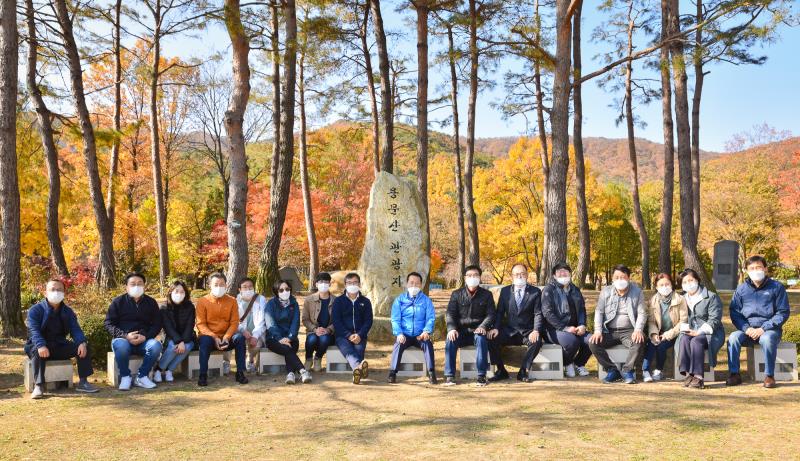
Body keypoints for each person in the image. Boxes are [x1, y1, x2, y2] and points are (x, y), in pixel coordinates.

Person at [25, 279, 98, 399]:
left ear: (64, 292)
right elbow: (34, 331)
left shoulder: (67, 311)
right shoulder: (35, 310)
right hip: (37, 344)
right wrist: (40, 345)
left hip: (58, 344)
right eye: (52, 289)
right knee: (36, 351)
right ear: (45, 293)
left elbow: (75, 329)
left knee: (84, 347)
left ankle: (83, 382)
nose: (56, 292)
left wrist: (81, 342)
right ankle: (38, 386)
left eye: (59, 290)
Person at [726, 255, 791, 389]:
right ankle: (734, 374)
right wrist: (746, 328)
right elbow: (735, 312)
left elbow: (783, 312)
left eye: (759, 267)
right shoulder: (741, 289)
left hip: (769, 331)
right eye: (752, 268)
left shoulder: (777, 287)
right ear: (746, 271)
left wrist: (763, 328)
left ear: (765, 269)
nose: (755, 270)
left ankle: (769, 376)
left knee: (767, 339)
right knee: (733, 338)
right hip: (747, 330)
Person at [589, 265, 647, 384]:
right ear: (613, 279)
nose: (620, 280)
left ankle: (627, 370)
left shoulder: (637, 291)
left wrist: (638, 330)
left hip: (629, 330)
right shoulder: (606, 291)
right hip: (609, 331)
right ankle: (612, 370)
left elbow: (642, 313)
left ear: (628, 278)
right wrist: (598, 331)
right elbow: (599, 311)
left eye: (623, 277)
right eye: (617, 277)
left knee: (639, 341)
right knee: (593, 342)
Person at [105, 272, 163, 390]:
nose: (136, 286)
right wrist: (125, 336)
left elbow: (157, 324)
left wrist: (146, 336)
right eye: (132, 284)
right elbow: (108, 323)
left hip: (144, 341)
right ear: (126, 286)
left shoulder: (151, 302)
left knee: (156, 346)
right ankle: (125, 376)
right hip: (124, 340)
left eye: (139, 283)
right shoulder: (118, 302)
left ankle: (142, 376)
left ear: (144, 286)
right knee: (120, 345)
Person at [487, 263, 542, 383]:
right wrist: (495, 328)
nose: (520, 276)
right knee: (491, 338)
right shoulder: (505, 291)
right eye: (516, 274)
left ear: (527, 276)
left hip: (527, 331)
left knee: (537, 341)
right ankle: (501, 370)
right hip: (509, 330)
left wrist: (536, 330)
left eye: (522, 274)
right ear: (512, 276)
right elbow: (500, 312)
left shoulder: (535, 292)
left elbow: (538, 313)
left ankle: (523, 371)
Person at [444, 265, 496, 387]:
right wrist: (451, 329)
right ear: (465, 278)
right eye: (470, 275)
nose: (473, 278)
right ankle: (450, 376)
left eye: (476, 275)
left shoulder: (487, 295)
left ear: (480, 277)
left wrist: (483, 326)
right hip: (461, 331)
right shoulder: (456, 294)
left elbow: (491, 314)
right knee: (450, 339)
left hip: (478, 331)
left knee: (481, 338)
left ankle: (481, 376)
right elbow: (450, 313)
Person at [195, 272, 248, 386]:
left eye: (222, 284)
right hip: (209, 337)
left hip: (226, 337)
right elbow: (201, 324)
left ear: (226, 285)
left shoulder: (232, 300)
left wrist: (226, 337)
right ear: (210, 285)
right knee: (204, 341)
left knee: (239, 338)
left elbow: (234, 322)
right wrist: (214, 337)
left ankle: (240, 372)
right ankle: (203, 374)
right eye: (216, 284)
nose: (219, 287)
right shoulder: (202, 301)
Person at [540, 263, 592, 378]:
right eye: (559, 271)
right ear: (554, 275)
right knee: (572, 341)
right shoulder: (549, 290)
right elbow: (547, 313)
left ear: (570, 273)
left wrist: (582, 324)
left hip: (575, 328)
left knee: (592, 341)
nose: (563, 273)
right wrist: (565, 328)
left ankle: (579, 364)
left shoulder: (575, 289)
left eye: (565, 271)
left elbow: (582, 309)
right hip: (553, 329)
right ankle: (567, 363)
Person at [678, 268, 724, 389]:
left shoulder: (711, 297)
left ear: (697, 280)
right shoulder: (682, 298)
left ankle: (698, 377)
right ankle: (689, 373)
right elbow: (680, 317)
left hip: (711, 333)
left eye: (691, 280)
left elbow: (715, 319)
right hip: (690, 332)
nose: (688, 284)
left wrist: (699, 332)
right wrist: (686, 329)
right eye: (684, 282)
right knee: (683, 339)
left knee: (696, 341)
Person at [388, 272, 437, 384]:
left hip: (420, 335)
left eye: (417, 283)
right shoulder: (399, 300)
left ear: (421, 285)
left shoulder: (426, 300)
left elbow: (430, 318)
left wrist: (426, 331)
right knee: (398, 345)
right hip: (405, 334)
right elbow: (395, 319)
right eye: (411, 283)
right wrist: (399, 333)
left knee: (428, 344)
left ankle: (431, 373)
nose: (414, 286)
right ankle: (392, 373)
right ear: (406, 284)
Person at [264, 280, 311, 384]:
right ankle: (303, 371)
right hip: (273, 338)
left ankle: (290, 375)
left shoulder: (294, 303)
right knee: (288, 349)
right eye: (281, 290)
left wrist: (290, 337)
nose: (285, 291)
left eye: (287, 289)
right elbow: (270, 323)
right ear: (276, 292)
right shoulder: (270, 304)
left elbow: (295, 323)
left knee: (290, 346)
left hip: (291, 338)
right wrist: (280, 338)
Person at [643, 273, 687, 383]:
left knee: (661, 345)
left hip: (674, 333)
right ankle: (645, 370)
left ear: (671, 284)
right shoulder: (653, 301)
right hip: (658, 332)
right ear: (656, 287)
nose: (664, 287)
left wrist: (667, 335)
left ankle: (659, 370)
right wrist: (654, 334)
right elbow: (651, 321)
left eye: (667, 284)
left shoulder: (680, 299)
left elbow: (683, 321)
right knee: (652, 343)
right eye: (661, 285)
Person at [332, 272, 373, 384]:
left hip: (360, 335)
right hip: (343, 336)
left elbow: (368, 321)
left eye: (355, 282)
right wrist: (348, 335)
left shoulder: (366, 301)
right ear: (345, 285)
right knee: (349, 351)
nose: (352, 285)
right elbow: (336, 321)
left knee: (358, 349)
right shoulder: (338, 301)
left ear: (359, 284)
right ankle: (359, 368)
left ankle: (357, 370)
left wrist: (360, 334)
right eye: (349, 283)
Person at [153, 280, 196, 383]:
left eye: (182, 292)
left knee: (189, 346)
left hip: (186, 336)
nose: (179, 294)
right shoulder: (164, 308)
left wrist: (183, 341)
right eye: (176, 291)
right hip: (170, 336)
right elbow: (168, 328)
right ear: (170, 292)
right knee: (173, 346)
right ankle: (158, 369)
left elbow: (190, 325)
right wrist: (179, 341)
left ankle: (169, 370)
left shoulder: (190, 307)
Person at [229, 278, 267, 374]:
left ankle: (250, 360)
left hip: (256, 331)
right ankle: (226, 362)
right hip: (240, 331)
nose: (248, 289)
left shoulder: (260, 299)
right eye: (244, 287)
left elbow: (262, 320)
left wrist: (255, 335)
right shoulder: (234, 301)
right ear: (239, 289)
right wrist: (242, 331)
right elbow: (233, 320)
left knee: (256, 345)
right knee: (231, 340)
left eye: (250, 287)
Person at [301, 272, 336, 372]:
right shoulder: (309, 300)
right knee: (311, 340)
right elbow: (305, 319)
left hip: (328, 332)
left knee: (324, 340)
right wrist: (315, 329)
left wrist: (328, 329)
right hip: (313, 330)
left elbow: (338, 320)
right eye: (321, 282)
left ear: (330, 284)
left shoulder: (336, 301)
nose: (323, 284)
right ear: (316, 284)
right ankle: (308, 359)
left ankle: (318, 358)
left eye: (326, 282)